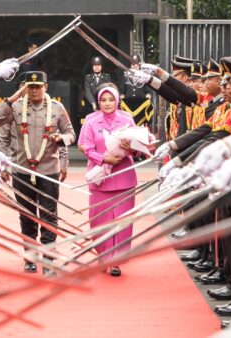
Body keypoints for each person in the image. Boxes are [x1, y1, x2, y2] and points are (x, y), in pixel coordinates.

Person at [0, 71, 75, 276]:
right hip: (22, 170)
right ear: (25, 87)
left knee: (49, 216)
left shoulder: (57, 108)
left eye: (38, 86)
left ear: (46, 87)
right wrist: (14, 96)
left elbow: (71, 134)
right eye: (31, 86)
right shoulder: (16, 108)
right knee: (26, 216)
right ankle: (30, 256)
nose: (35, 90)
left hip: (49, 171)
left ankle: (48, 258)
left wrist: (61, 145)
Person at [78, 83, 137, 277]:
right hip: (100, 178)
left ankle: (116, 261)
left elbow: (137, 148)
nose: (108, 103)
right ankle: (103, 255)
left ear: (118, 100)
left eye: (111, 99)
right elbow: (85, 147)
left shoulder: (127, 119)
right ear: (97, 102)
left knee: (122, 222)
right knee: (99, 221)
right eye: (103, 100)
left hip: (124, 177)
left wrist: (131, 147)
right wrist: (103, 158)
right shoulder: (91, 120)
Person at [119, 54, 157, 129]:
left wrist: (148, 94)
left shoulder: (144, 76)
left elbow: (148, 90)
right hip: (128, 104)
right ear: (130, 65)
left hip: (141, 103)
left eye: (137, 64)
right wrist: (122, 94)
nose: (135, 66)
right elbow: (122, 90)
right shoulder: (126, 76)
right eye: (133, 64)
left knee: (141, 123)